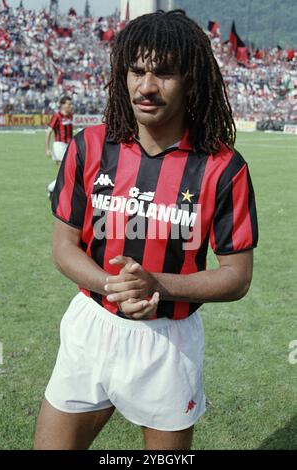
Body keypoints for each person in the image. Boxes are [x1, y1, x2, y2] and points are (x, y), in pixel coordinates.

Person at [34, 10, 258, 450]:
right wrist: (115, 286)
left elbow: (237, 276)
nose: (146, 86)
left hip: (168, 342)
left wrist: (157, 285)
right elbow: (63, 247)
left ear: (191, 81)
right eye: (136, 71)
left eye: (164, 73)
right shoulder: (88, 146)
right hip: (91, 327)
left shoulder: (223, 168)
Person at [45, 96, 73, 199]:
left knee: (68, 171)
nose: (71, 106)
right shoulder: (57, 116)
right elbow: (48, 132)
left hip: (69, 146)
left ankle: (52, 188)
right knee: (63, 171)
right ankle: (53, 189)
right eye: (69, 104)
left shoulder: (70, 116)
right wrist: (47, 149)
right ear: (62, 105)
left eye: (71, 104)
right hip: (59, 145)